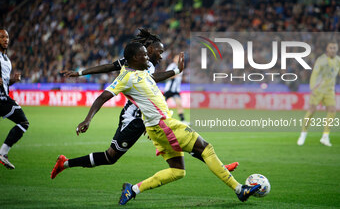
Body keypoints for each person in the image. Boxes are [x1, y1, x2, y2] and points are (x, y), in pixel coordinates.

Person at [69, 42, 260, 205]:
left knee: (178, 171)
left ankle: (133, 189)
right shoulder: (125, 77)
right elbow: (103, 96)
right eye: (144, 55)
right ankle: (238, 189)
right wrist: (87, 119)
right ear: (134, 58)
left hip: (157, 128)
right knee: (206, 148)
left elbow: (154, 78)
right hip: (163, 125)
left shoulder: (141, 73)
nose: (148, 57)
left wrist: (177, 70)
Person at [51, 29, 238, 179]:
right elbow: (110, 68)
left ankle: (216, 165)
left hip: (147, 118)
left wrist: (175, 72)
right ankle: (65, 163)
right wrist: (81, 73)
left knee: (180, 141)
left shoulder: (145, 64)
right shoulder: (134, 63)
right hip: (133, 118)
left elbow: (152, 78)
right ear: (149, 50)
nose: (161, 56)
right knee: (110, 157)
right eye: (160, 51)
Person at [297, 41, 340, 146]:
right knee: (311, 111)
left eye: (334, 48)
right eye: (331, 48)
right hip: (318, 90)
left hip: (330, 90)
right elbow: (315, 75)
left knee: (332, 111)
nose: (333, 50)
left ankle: (325, 136)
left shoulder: (338, 60)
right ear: (327, 49)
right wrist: (313, 88)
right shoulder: (321, 60)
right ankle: (303, 133)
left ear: (337, 49)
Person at [0, 29, 29, 169]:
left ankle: (3, 153)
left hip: (3, 97)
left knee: (23, 122)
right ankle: (2, 153)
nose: (5, 39)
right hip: (1, 99)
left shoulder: (7, 60)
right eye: (2, 37)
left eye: (7, 37)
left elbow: (4, 82)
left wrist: (13, 80)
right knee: (23, 122)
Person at [164, 54, 186, 122]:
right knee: (162, 104)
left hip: (176, 90)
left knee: (179, 104)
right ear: (174, 59)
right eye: (177, 59)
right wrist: (175, 75)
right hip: (169, 89)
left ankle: (183, 120)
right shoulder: (172, 66)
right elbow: (166, 75)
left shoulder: (180, 67)